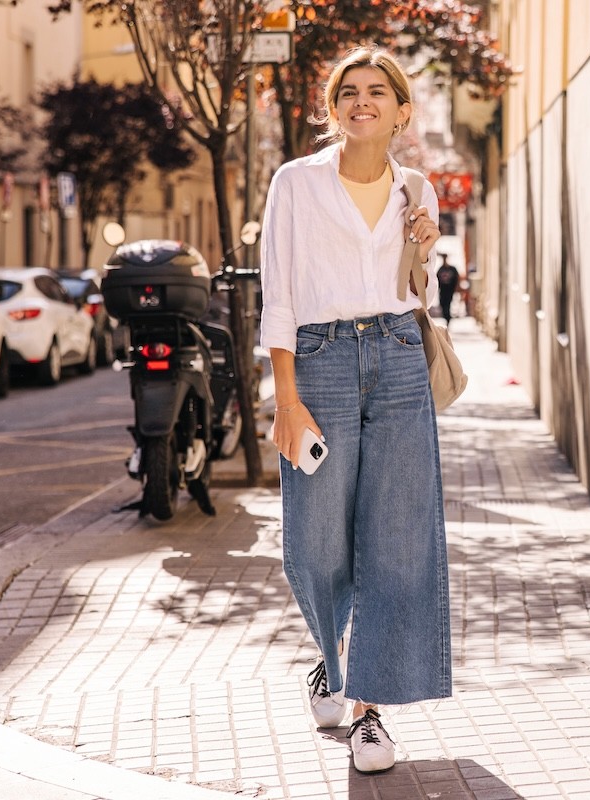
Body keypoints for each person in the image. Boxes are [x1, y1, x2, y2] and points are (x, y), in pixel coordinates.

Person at [258, 46, 450, 775]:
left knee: (396, 539)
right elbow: (279, 293)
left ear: (402, 110)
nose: (361, 101)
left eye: (377, 91)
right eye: (348, 91)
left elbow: (418, 292)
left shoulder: (417, 189)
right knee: (314, 541)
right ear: (332, 107)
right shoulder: (296, 183)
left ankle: (368, 708)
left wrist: (425, 245)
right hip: (321, 363)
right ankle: (332, 657)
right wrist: (286, 398)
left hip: (398, 361)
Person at [436, 255, 460, 325]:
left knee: (448, 304)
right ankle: (446, 317)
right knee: (442, 304)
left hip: (450, 290)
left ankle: (448, 318)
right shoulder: (440, 269)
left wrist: (456, 288)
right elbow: (436, 279)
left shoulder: (452, 269)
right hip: (442, 291)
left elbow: (456, 278)